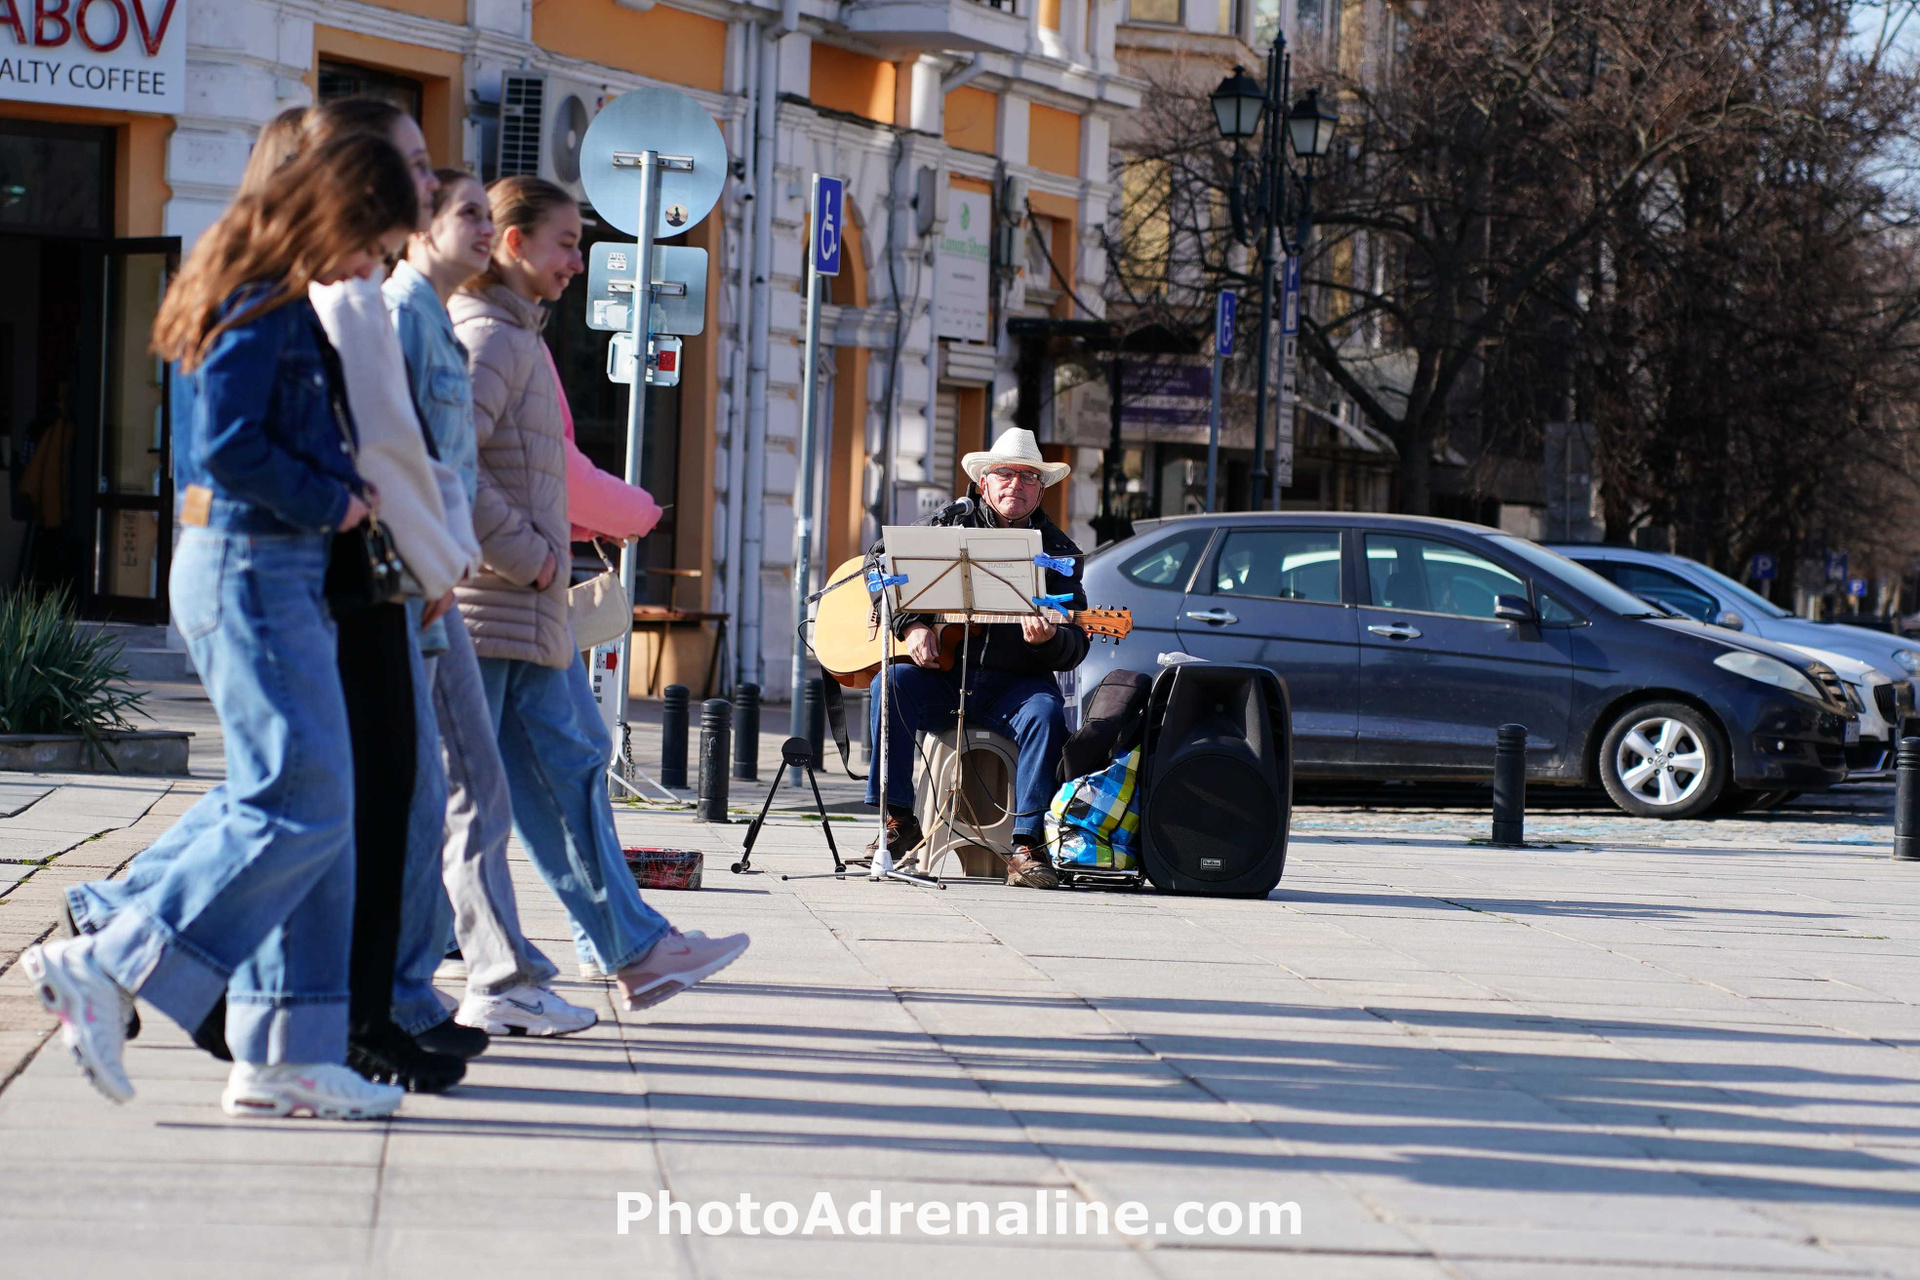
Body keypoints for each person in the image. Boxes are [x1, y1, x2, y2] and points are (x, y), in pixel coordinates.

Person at [24, 134, 420, 1119]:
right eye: (372, 242)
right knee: (304, 804)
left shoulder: (263, 291)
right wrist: (336, 497)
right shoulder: (258, 297)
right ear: (335, 213)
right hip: (254, 563)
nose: (369, 267)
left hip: (267, 564)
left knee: (315, 808)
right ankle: (113, 955)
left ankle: (286, 1053)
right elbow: (233, 444)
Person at [450, 175, 749, 1012]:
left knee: (568, 775)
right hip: (494, 607)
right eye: (565, 243)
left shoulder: (515, 334)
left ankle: (628, 947)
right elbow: (450, 465)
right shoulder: (490, 338)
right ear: (514, 243)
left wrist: (553, 547)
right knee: (475, 802)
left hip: (519, 609)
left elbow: (523, 470)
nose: (577, 262)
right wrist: (537, 558)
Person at [385, 169, 598, 1035]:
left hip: (455, 595)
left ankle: (476, 977)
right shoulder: (441, 323)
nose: (481, 225)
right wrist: (537, 560)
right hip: (465, 601)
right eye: (466, 211)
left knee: (478, 793)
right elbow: (434, 469)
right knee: (418, 798)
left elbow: (447, 469)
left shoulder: (461, 324)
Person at [864, 427, 1090, 889]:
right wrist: (911, 626)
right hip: (947, 679)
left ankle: (1026, 846)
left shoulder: (1059, 553)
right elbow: (881, 569)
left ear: (1041, 490)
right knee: (888, 684)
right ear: (984, 482)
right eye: (1005, 474)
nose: (1015, 485)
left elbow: (1076, 645)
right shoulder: (950, 527)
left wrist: (1047, 639)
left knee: (1047, 714)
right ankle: (899, 819)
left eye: (1028, 477)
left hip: (1016, 686)